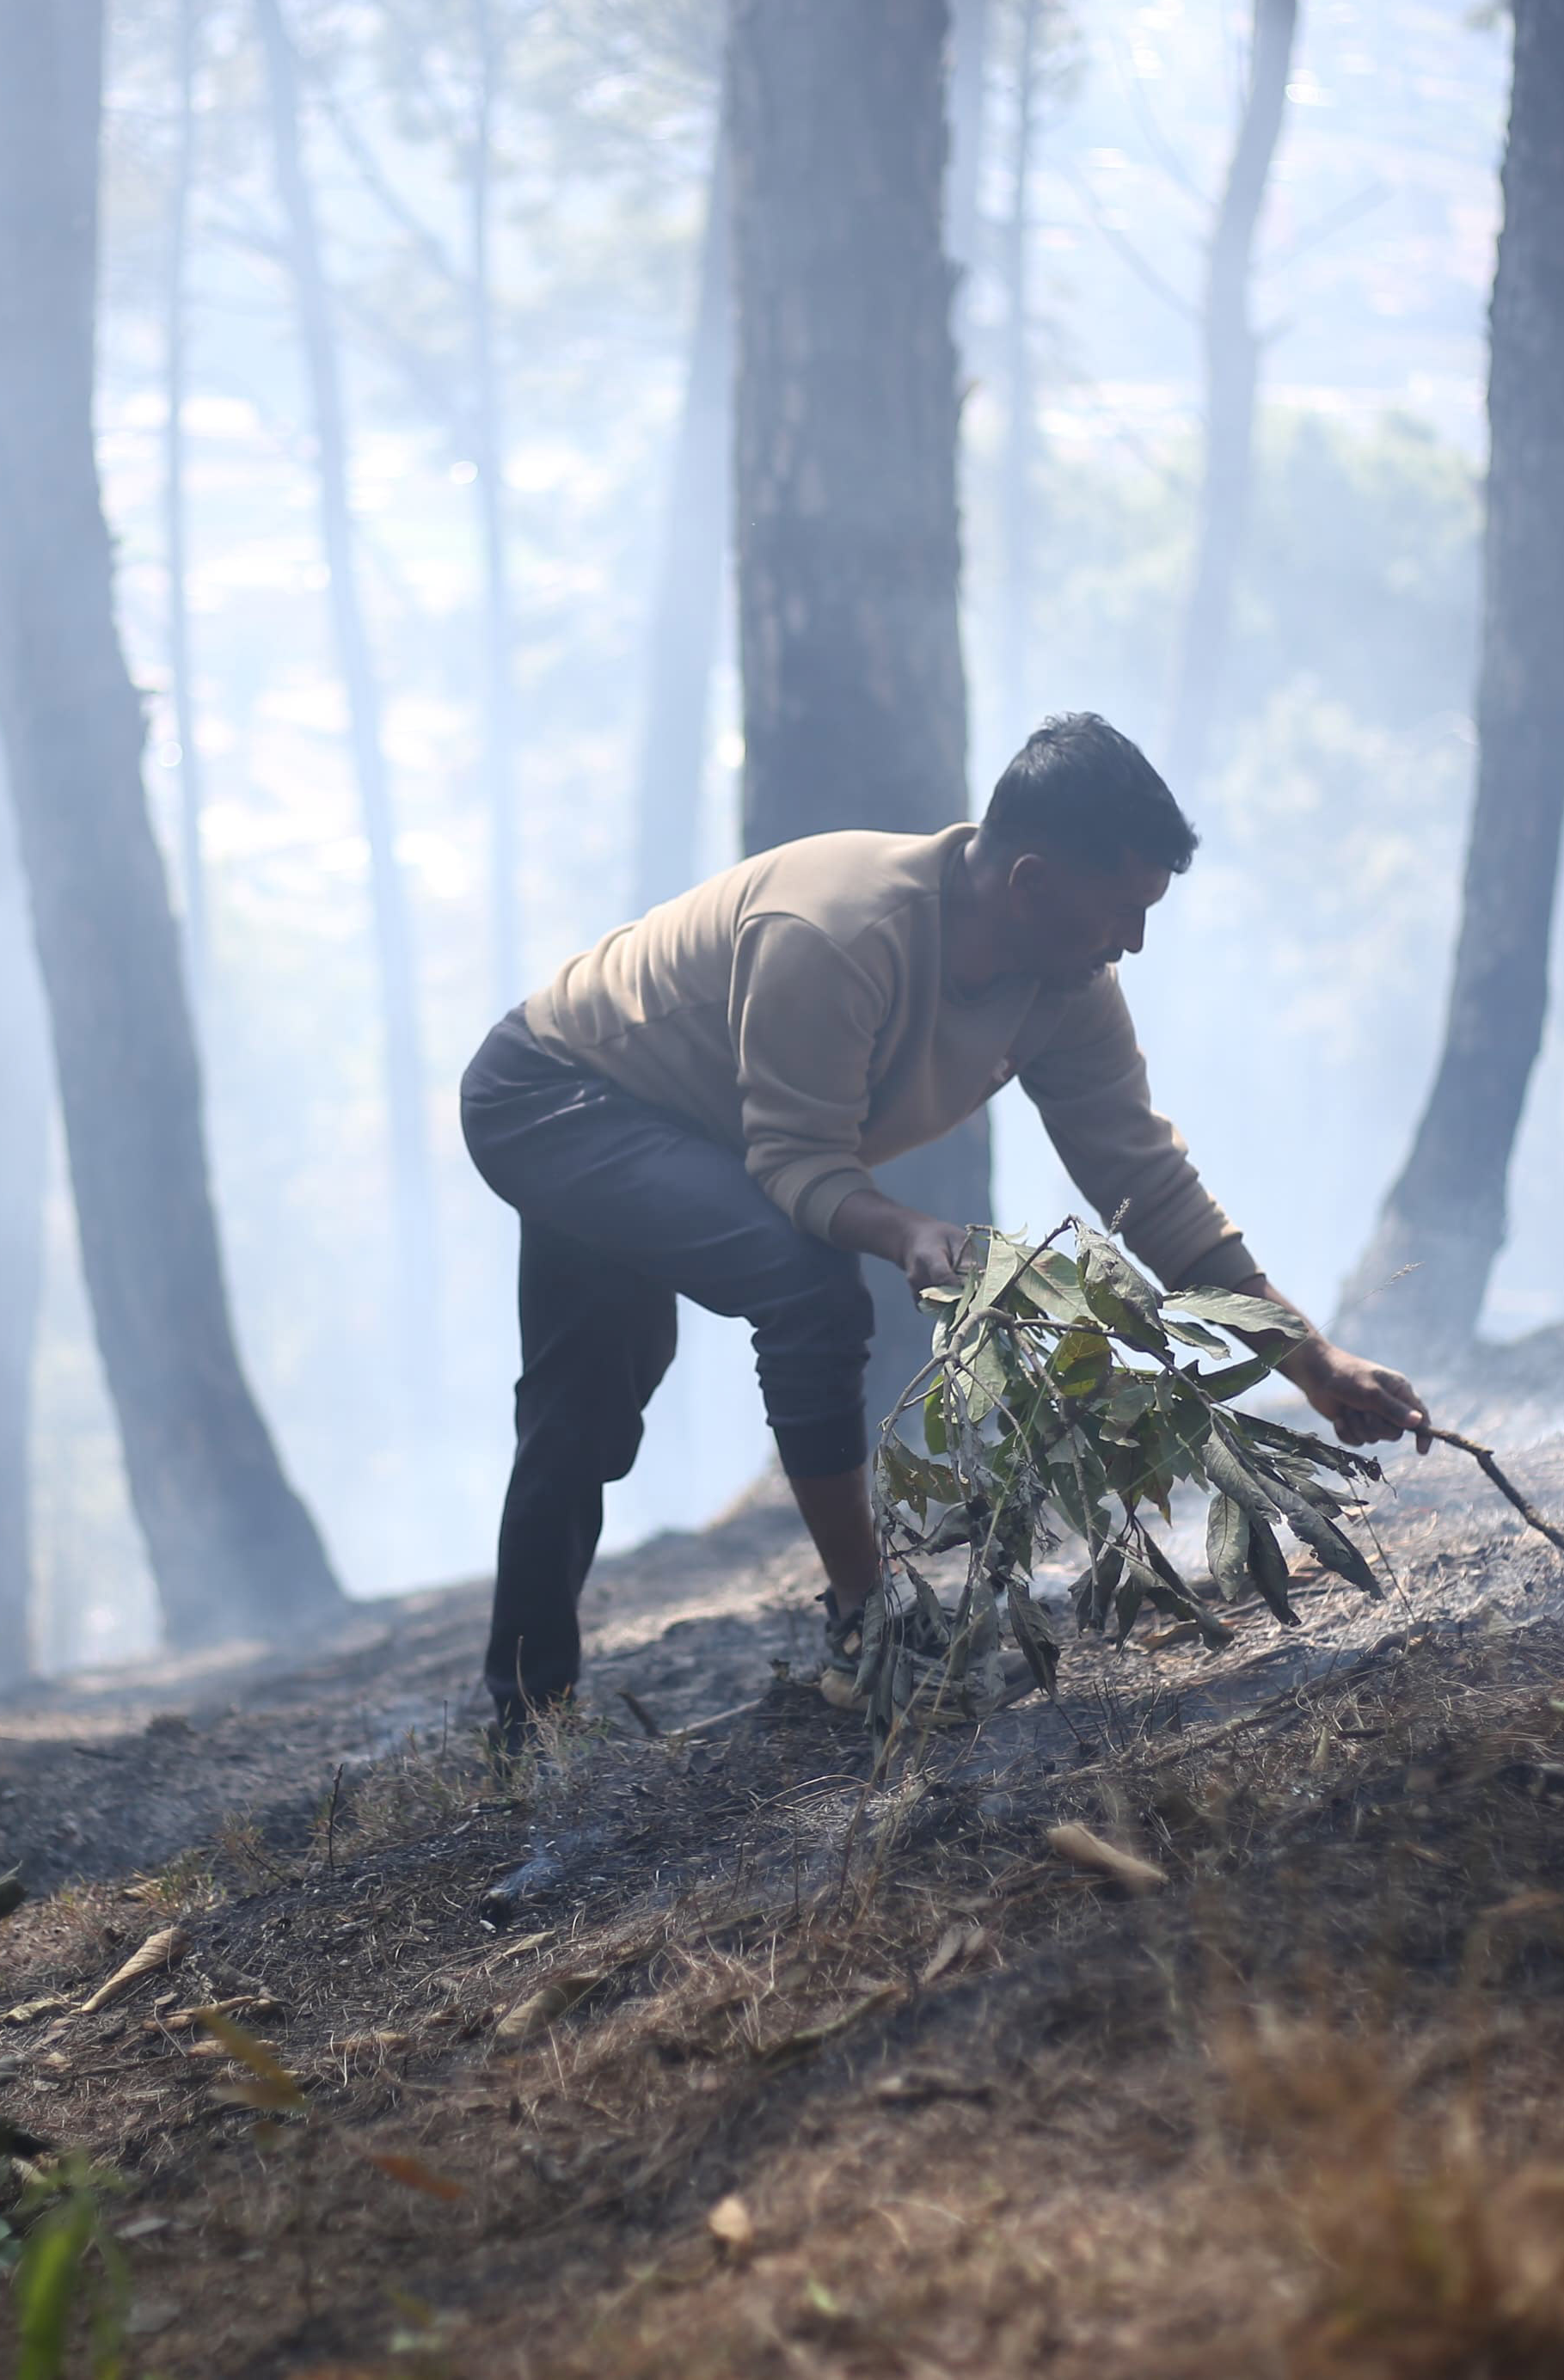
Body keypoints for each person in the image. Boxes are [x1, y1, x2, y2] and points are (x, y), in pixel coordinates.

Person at [462, 712, 1428, 1739]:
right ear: (1027, 883)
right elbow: (794, 1166)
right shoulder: (836, 934)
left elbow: (1148, 1186)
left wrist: (1310, 1363)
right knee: (795, 1298)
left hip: (689, 1126)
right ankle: (861, 1629)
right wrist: (903, 1230)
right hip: (556, 1098)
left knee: (583, 1413)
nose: (1131, 943)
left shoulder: (1067, 985)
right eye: (1121, 910)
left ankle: (527, 1723)